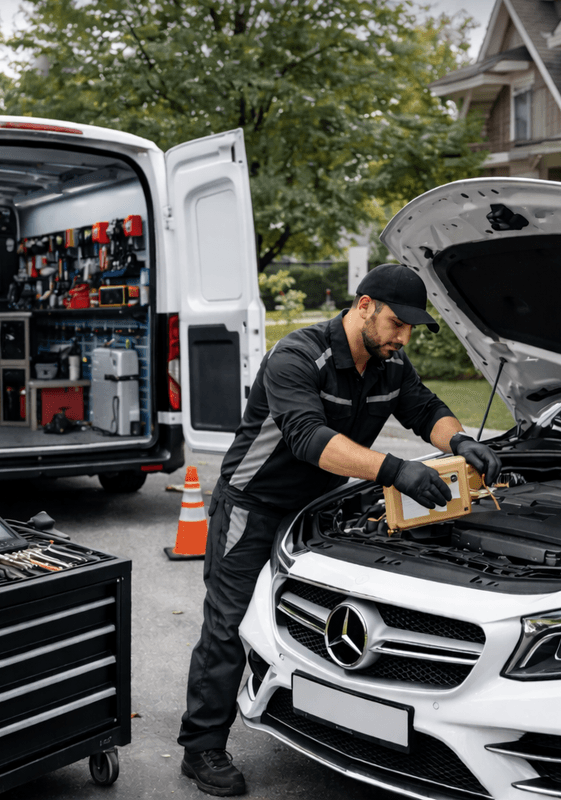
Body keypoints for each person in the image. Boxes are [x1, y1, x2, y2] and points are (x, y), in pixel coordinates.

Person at [177, 263, 502, 796]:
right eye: (397, 323)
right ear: (365, 305)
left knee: (326, 622)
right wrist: (396, 471)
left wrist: (459, 443)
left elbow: (426, 408)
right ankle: (201, 746)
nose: (403, 338)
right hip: (252, 506)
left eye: (411, 330)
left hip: (320, 512)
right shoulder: (297, 357)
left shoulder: (389, 363)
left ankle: (326, 718)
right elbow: (308, 438)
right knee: (229, 625)